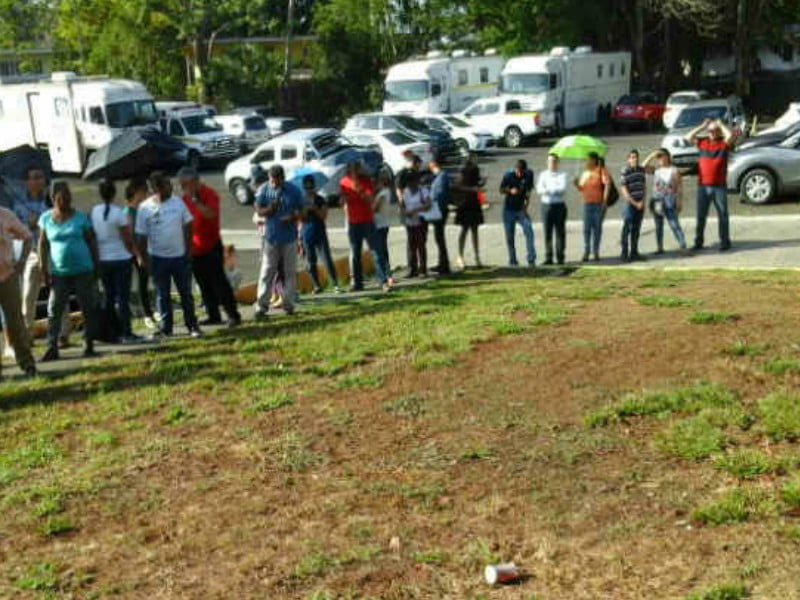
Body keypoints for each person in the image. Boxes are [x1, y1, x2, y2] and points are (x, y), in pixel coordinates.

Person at [39, 181, 101, 361]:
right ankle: (52, 347)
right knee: (54, 309)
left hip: (84, 270)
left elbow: (91, 241)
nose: (65, 201)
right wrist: (43, 269)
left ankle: (88, 344)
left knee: (87, 308)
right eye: (61, 198)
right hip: (59, 273)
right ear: (53, 199)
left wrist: (97, 265)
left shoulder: (80, 217)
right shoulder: (46, 218)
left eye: (68, 197)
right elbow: (43, 245)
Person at [135, 172, 201, 339]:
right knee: (162, 295)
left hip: (179, 257)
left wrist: (187, 249)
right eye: (166, 184)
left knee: (185, 293)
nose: (171, 187)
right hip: (157, 259)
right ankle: (167, 329)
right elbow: (141, 236)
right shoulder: (145, 208)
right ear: (156, 188)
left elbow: (188, 224)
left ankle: (192, 325)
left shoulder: (177, 202)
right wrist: (143, 258)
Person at [178, 167, 241, 327]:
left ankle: (233, 314)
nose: (183, 188)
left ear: (195, 182)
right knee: (203, 284)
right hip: (194, 247)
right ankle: (213, 315)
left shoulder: (209, 194)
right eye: (182, 185)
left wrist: (195, 201)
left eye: (185, 184)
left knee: (219, 282)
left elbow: (210, 214)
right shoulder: (184, 199)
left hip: (211, 245)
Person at [90, 179, 141, 343]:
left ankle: (109, 331)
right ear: (114, 193)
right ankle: (126, 331)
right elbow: (127, 237)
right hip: (121, 258)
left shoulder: (95, 211)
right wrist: (133, 251)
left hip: (103, 259)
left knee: (109, 297)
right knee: (123, 298)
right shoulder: (119, 213)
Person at [254, 165, 303, 319]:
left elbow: (302, 211)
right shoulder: (264, 190)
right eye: (271, 180)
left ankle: (288, 304)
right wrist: (270, 209)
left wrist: (292, 217)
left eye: (276, 181)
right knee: (267, 271)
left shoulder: (294, 191)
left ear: (282, 178)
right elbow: (257, 209)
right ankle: (261, 306)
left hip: (289, 238)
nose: (273, 184)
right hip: (271, 238)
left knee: (289, 272)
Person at [685, 118, 735, 251]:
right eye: (710, 131)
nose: (712, 133)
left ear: (718, 132)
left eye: (714, 131)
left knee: (722, 214)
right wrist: (702, 126)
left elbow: (730, 136)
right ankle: (698, 242)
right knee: (701, 215)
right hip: (703, 186)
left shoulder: (723, 144)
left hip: (719, 186)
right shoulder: (703, 142)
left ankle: (725, 241)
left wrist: (720, 125)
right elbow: (688, 137)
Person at [339, 162, 390, 292]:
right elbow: (343, 201)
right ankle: (357, 283)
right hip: (353, 222)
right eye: (352, 168)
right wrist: (343, 199)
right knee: (355, 253)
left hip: (367, 220)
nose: (355, 171)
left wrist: (360, 189)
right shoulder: (344, 182)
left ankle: (383, 281)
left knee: (376, 251)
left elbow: (370, 199)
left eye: (356, 168)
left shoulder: (366, 180)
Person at [0, 205, 37, 379]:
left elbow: (27, 237)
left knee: (15, 322)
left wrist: (22, 261)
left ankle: (27, 364)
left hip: (7, 277)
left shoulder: (5, 214)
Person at [643, 148, 689, 255]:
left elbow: (679, 187)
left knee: (674, 224)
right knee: (658, 225)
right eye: (659, 157)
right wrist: (652, 155)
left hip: (669, 200)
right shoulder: (656, 170)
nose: (661, 159)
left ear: (668, 156)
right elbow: (643, 167)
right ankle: (660, 247)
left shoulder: (674, 170)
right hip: (657, 200)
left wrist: (679, 201)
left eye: (662, 156)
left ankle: (683, 246)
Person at [300, 174, 340, 294]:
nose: (309, 190)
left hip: (320, 232)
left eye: (311, 187)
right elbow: (300, 218)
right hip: (306, 233)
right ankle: (316, 285)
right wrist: (306, 210)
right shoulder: (301, 201)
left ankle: (335, 284)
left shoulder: (320, 199)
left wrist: (315, 208)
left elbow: (324, 216)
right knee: (310, 262)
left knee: (326, 259)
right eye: (307, 188)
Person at [125, 177, 156, 329]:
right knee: (142, 282)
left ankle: (152, 310)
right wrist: (138, 255)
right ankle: (147, 314)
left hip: (147, 248)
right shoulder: (129, 212)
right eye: (144, 191)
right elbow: (130, 237)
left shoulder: (143, 209)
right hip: (135, 252)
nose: (147, 194)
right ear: (136, 192)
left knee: (151, 280)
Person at [574, 152, 610, 262]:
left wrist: (604, 201)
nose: (586, 161)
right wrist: (576, 184)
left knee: (597, 229)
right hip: (587, 204)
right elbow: (582, 188)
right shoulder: (585, 173)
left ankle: (596, 252)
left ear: (593, 160)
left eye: (587, 159)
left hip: (598, 204)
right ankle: (586, 251)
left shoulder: (600, 170)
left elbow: (607, 184)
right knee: (586, 229)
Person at [499, 159, 536, 267]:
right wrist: (510, 191)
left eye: (521, 172)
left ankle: (531, 258)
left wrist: (526, 207)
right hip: (508, 209)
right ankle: (513, 260)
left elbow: (528, 192)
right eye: (518, 171)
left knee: (529, 230)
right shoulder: (508, 175)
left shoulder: (529, 175)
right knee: (510, 236)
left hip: (520, 209)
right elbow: (501, 189)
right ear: (515, 169)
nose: (519, 174)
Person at [536, 153, 568, 265]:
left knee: (560, 232)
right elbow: (540, 189)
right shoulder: (543, 175)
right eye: (550, 161)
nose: (552, 163)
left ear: (558, 163)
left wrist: (548, 190)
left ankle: (560, 257)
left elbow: (562, 189)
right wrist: (553, 190)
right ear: (547, 162)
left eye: (554, 161)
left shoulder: (562, 175)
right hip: (546, 206)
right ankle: (548, 257)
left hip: (559, 206)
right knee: (547, 232)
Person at [454, 153, 484, 269]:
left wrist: (481, 183)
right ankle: (460, 256)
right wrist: (472, 189)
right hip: (464, 202)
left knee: (475, 229)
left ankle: (477, 256)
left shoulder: (476, 170)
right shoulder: (463, 170)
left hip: (474, 202)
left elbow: (476, 183)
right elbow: (457, 186)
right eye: (474, 158)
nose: (476, 159)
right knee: (465, 229)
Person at [401, 171, 432, 278]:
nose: (410, 185)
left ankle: (423, 269)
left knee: (421, 245)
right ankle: (412, 269)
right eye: (408, 183)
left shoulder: (423, 190)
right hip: (410, 221)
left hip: (421, 221)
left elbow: (428, 205)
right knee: (411, 245)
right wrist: (405, 212)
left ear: (416, 181)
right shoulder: (405, 191)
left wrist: (415, 210)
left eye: (412, 182)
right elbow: (403, 205)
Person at [619, 149, 647, 262]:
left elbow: (644, 187)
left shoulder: (641, 170)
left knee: (636, 229)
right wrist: (635, 203)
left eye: (636, 157)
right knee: (627, 228)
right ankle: (624, 253)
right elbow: (624, 190)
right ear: (628, 159)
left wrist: (643, 201)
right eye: (632, 157)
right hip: (630, 204)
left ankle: (634, 252)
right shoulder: (625, 170)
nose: (634, 159)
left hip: (641, 204)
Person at [428, 156, 451, 275]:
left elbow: (439, 194)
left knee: (439, 238)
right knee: (439, 238)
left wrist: (430, 202)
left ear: (433, 165)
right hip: (439, 209)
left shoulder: (441, 177)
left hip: (439, 210)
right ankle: (442, 263)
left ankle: (444, 265)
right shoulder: (440, 177)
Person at [373, 170, 395, 284]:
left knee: (380, 251)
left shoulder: (383, 194)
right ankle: (387, 273)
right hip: (384, 223)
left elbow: (375, 208)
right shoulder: (387, 192)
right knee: (383, 250)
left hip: (379, 224)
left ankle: (386, 274)